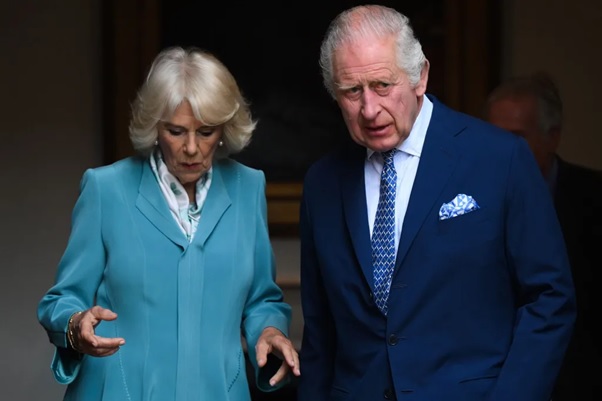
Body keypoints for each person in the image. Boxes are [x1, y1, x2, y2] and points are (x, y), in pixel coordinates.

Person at [297, 5, 576, 401]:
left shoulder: (499, 159)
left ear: (420, 76)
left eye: (382, 85)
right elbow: (320, 331)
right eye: (352, 91)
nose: (369, 109)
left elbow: (549, 298)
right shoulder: (323, 183)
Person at [37, 46, 300, 401]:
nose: (191, 148)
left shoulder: (248, 188)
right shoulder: (106, 189)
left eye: (206, 132)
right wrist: (74, 326)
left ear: (224, 129)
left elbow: (262, 299)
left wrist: (270, 331)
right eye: (176, 131)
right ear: (155, 128)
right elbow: (62, 299)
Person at [484, 72, 602, 401]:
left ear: (552, 137)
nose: (500, 149)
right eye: (493, 136)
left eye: (515, 137)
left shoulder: (593, 200)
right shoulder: (469, 200)